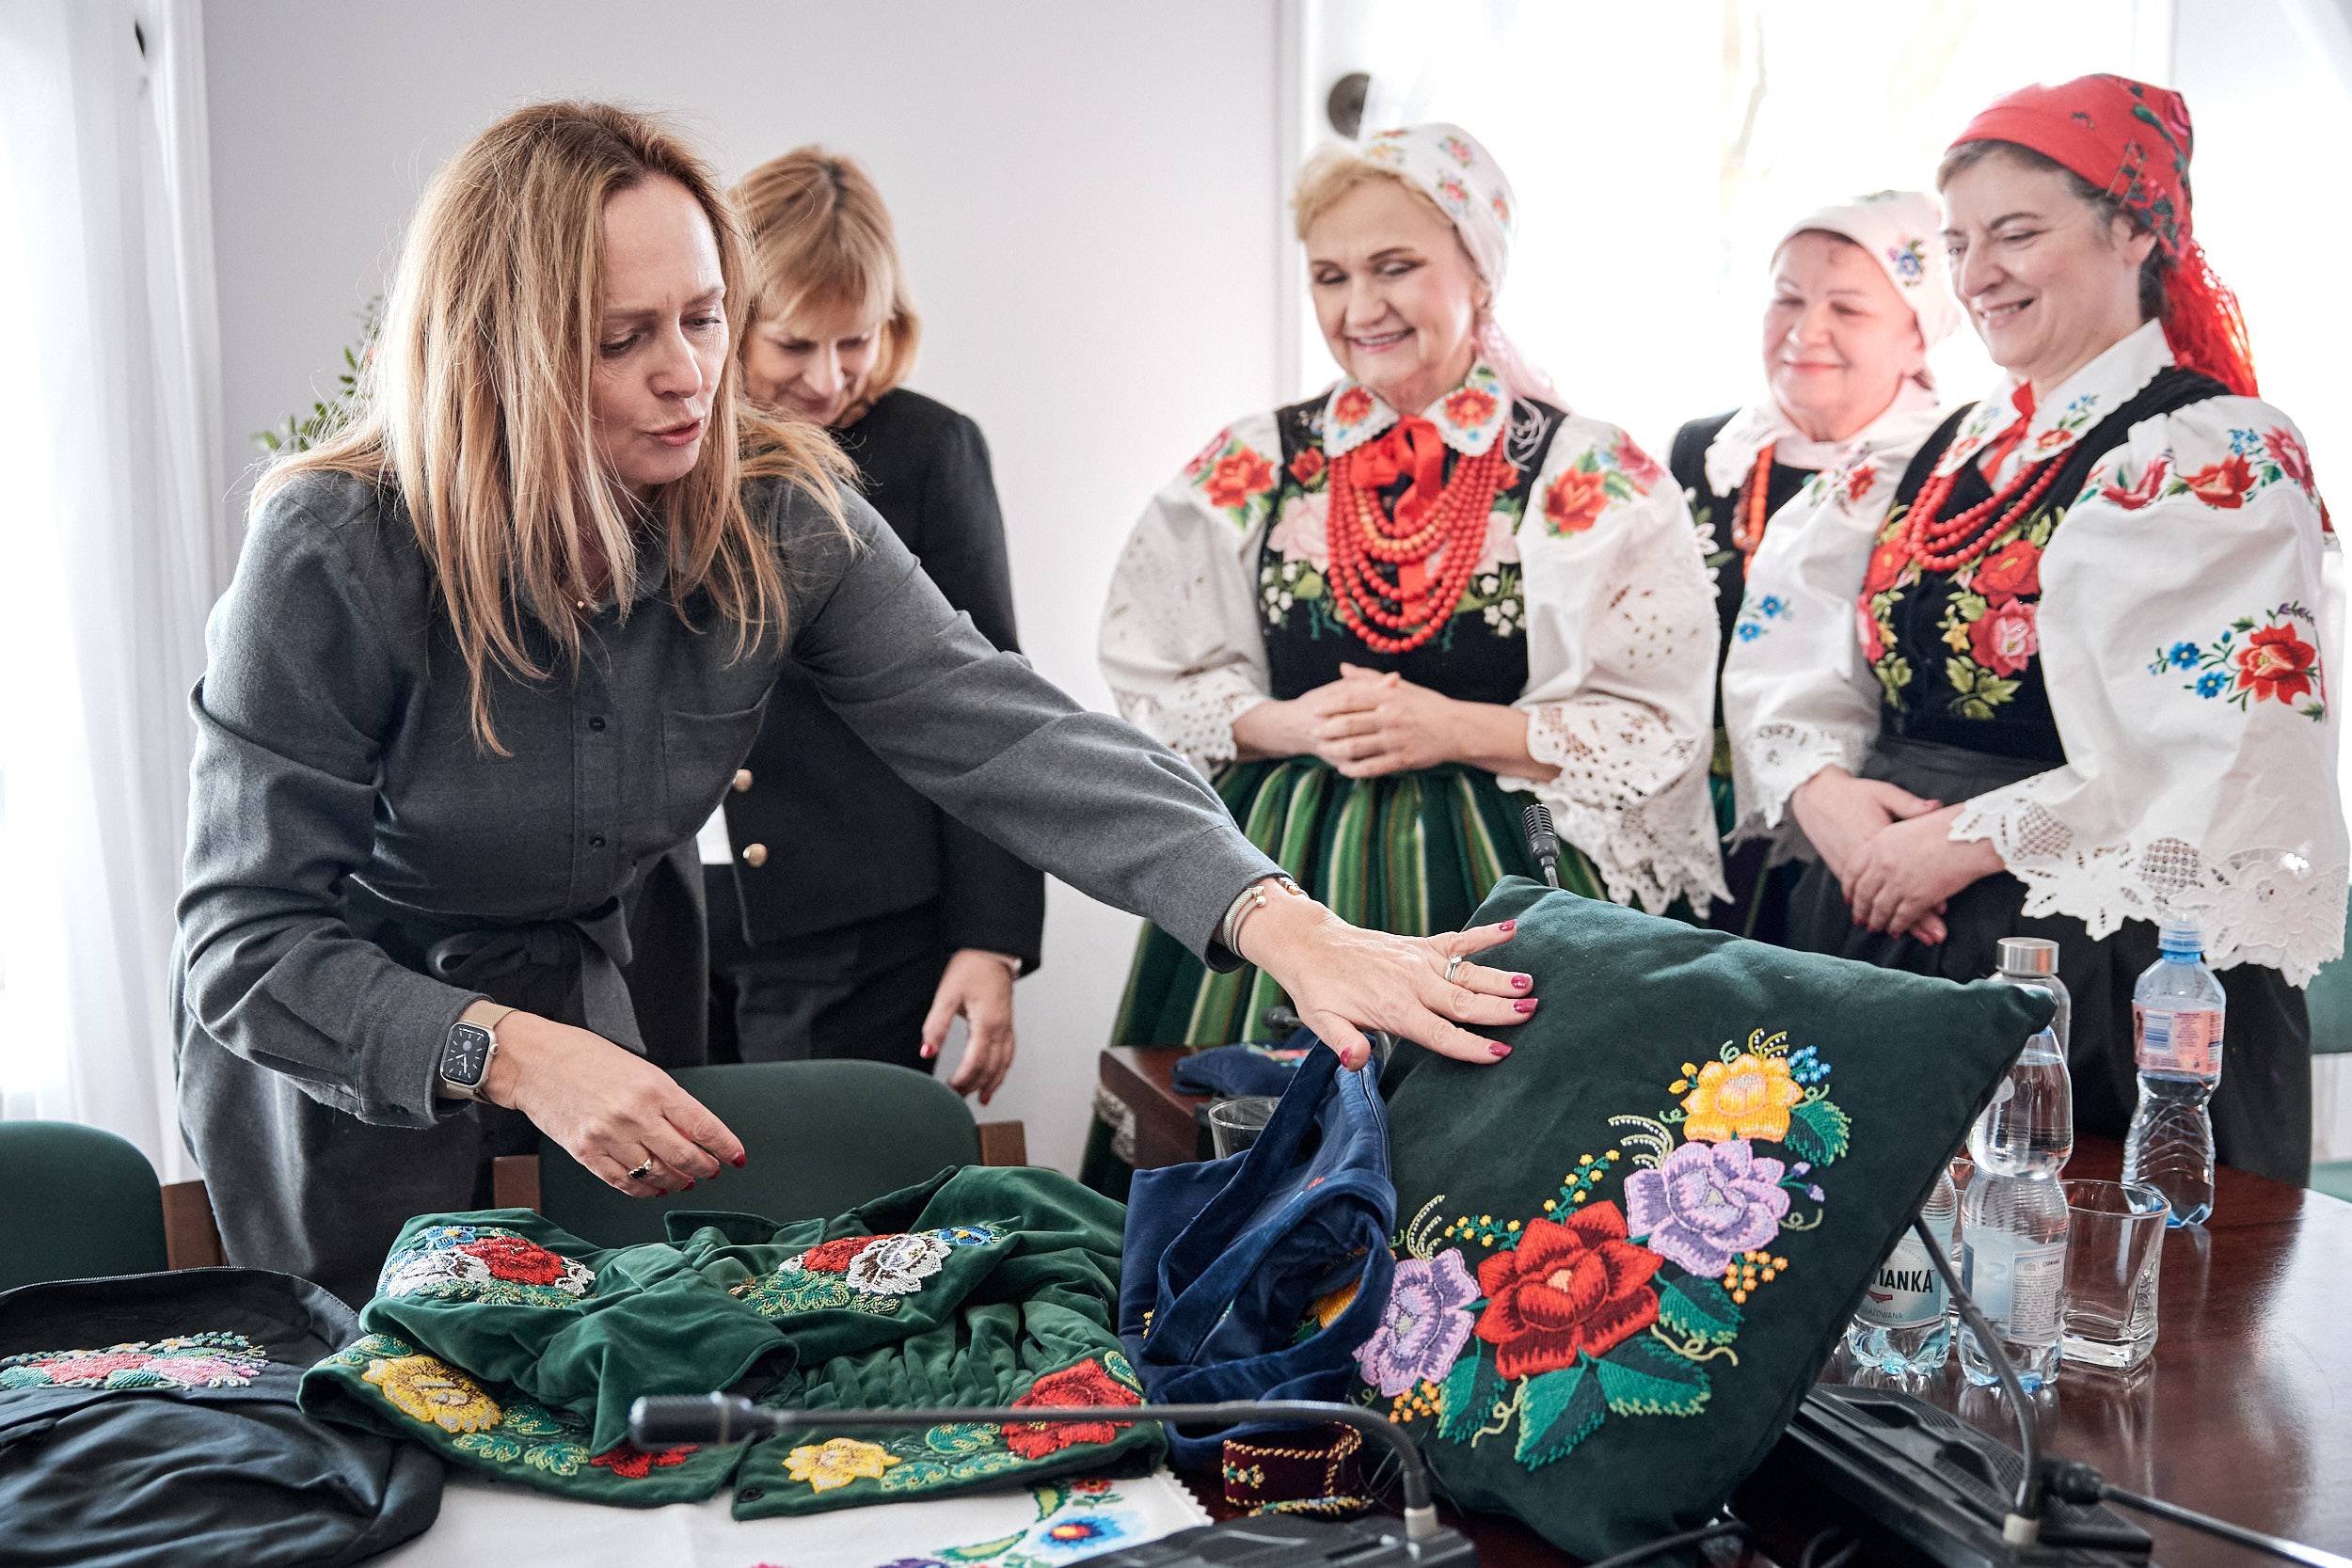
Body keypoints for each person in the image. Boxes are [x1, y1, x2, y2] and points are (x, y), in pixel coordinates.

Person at [174, 103, 1536, 1307]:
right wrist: (509, 1052)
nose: (689, 373)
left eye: (706, 315)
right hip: (348, 1038)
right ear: (498, 355)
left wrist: (1282, 920)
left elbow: (1009, 730)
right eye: (623, 338)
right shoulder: (334, 546)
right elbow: (243, 940)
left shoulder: (782, 510)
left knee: (615, 1383)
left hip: (607, 1006)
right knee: (383, 1401)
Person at [1723, 75, 2344, 1183]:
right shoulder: (1930, 451)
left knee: (2062, 1248)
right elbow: (1786, 658)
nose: (1977, 275)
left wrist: (1954, 843)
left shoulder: (2205, 453)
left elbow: (2219, 753)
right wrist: (1824, 797)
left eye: (2016, 234)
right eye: (1959, 243)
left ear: (2135, 230)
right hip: (1875, 921)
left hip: (2086, 964)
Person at [1100, 122, 1722, 1051]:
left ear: (1480, 272)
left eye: (1394, 267)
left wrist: (1452, 727)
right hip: (1281, 874)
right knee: (1245, 1113)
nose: (1360, 307)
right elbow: (1152, 670)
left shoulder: (1588, 471)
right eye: (1330, 275)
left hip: (1501, 873)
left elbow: (1657, 719)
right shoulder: (1252, 460)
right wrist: (1292, 723)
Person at [700, 147, 1041, 1104]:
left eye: (854, 341)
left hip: (862, 929)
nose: (828, 378)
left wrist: (992, 937)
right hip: (666, 924)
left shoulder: (929, 447)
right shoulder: (660, 442)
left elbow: (990, 702)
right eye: (794, 345)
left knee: (835, 1192)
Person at [1669, 192, 1958, 939]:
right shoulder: (1708, 452)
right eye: (1787, 299)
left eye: (1848, 309)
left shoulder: (1950, 471)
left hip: (1858, 832)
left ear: (1919, 337)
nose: (1805, 332)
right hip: (1699, 820)